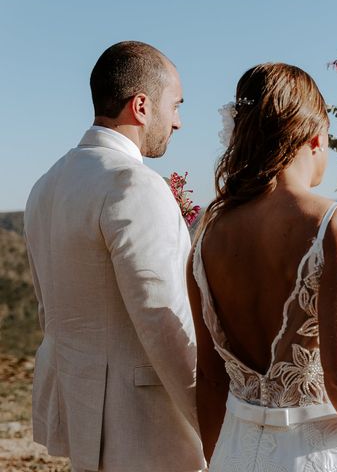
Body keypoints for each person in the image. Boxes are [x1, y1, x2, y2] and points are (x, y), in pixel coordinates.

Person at [187, 63, 337, 471]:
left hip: (232, 450)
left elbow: (211, 379)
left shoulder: (206, 233)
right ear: (316, 139)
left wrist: (222, 458)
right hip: (315, 455)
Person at [24, 41, 206, 472]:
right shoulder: (132, 184)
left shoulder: (45, 185)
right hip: (146, 430)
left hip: (84, 417)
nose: (179, 122)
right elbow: (164, 322)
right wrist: (212, 420)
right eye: (176, 106)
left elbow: (48, 311)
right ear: (141, 106)